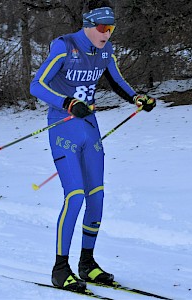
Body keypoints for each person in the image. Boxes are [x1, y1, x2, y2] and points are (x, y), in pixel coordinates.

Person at [30, 0, 156, 291]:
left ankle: (87, 263)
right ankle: (61, 268)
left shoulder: (106, 50)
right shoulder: (64, 46)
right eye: (102, 27)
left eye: (111, 28)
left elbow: (117, 80)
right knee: (74, 196)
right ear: (88, 24)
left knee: (96, 196)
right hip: (63, 127)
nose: (107, 33)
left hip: (90, 128)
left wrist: (137, 97)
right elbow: (36, 85)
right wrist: (67, 103)